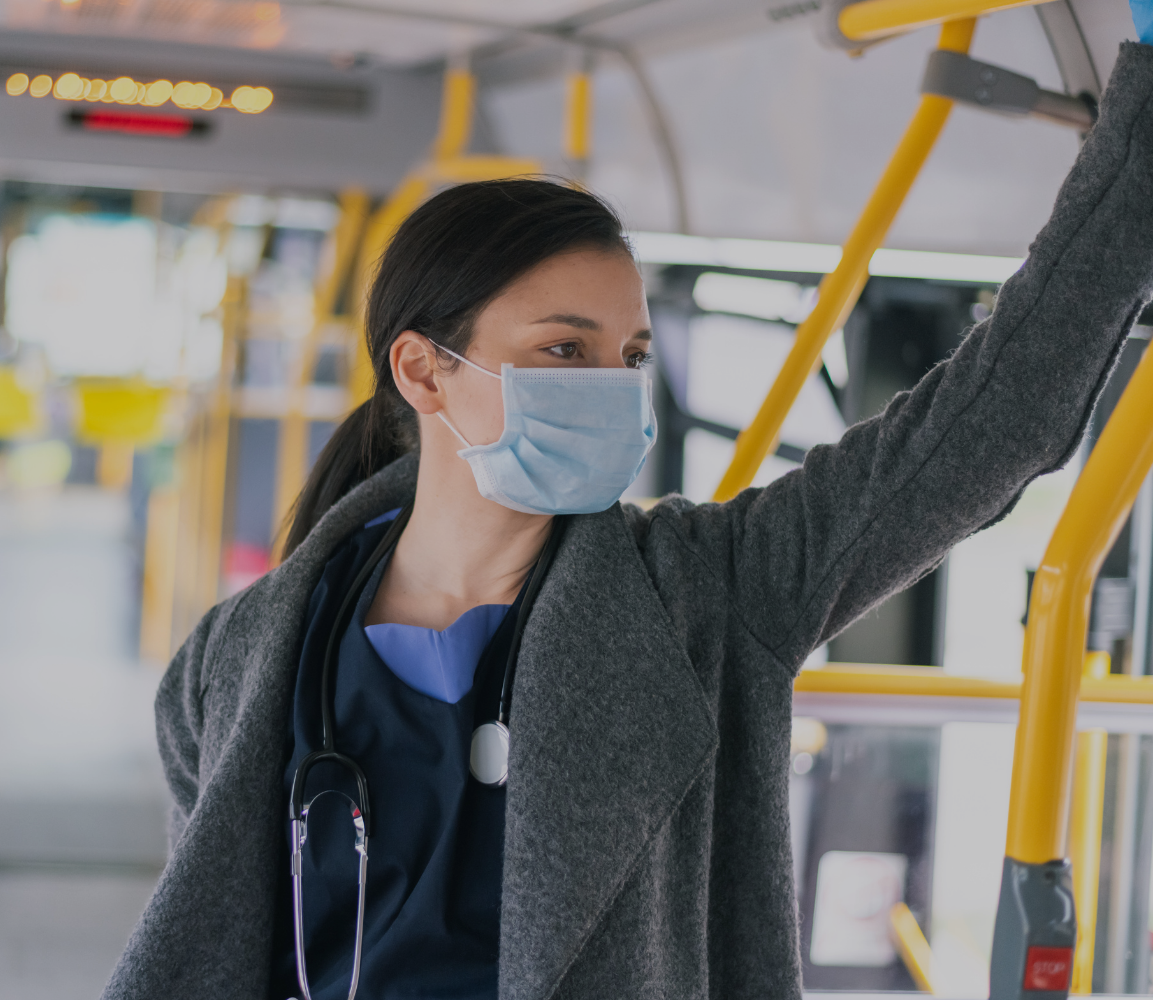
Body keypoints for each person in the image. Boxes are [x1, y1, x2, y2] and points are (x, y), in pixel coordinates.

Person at [103, 31, 1153, 1000]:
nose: (612, 387)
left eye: (633, 357)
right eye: (565, 350)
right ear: (423, 370)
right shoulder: (235, 662)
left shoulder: (708, 591)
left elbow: (989, 427)